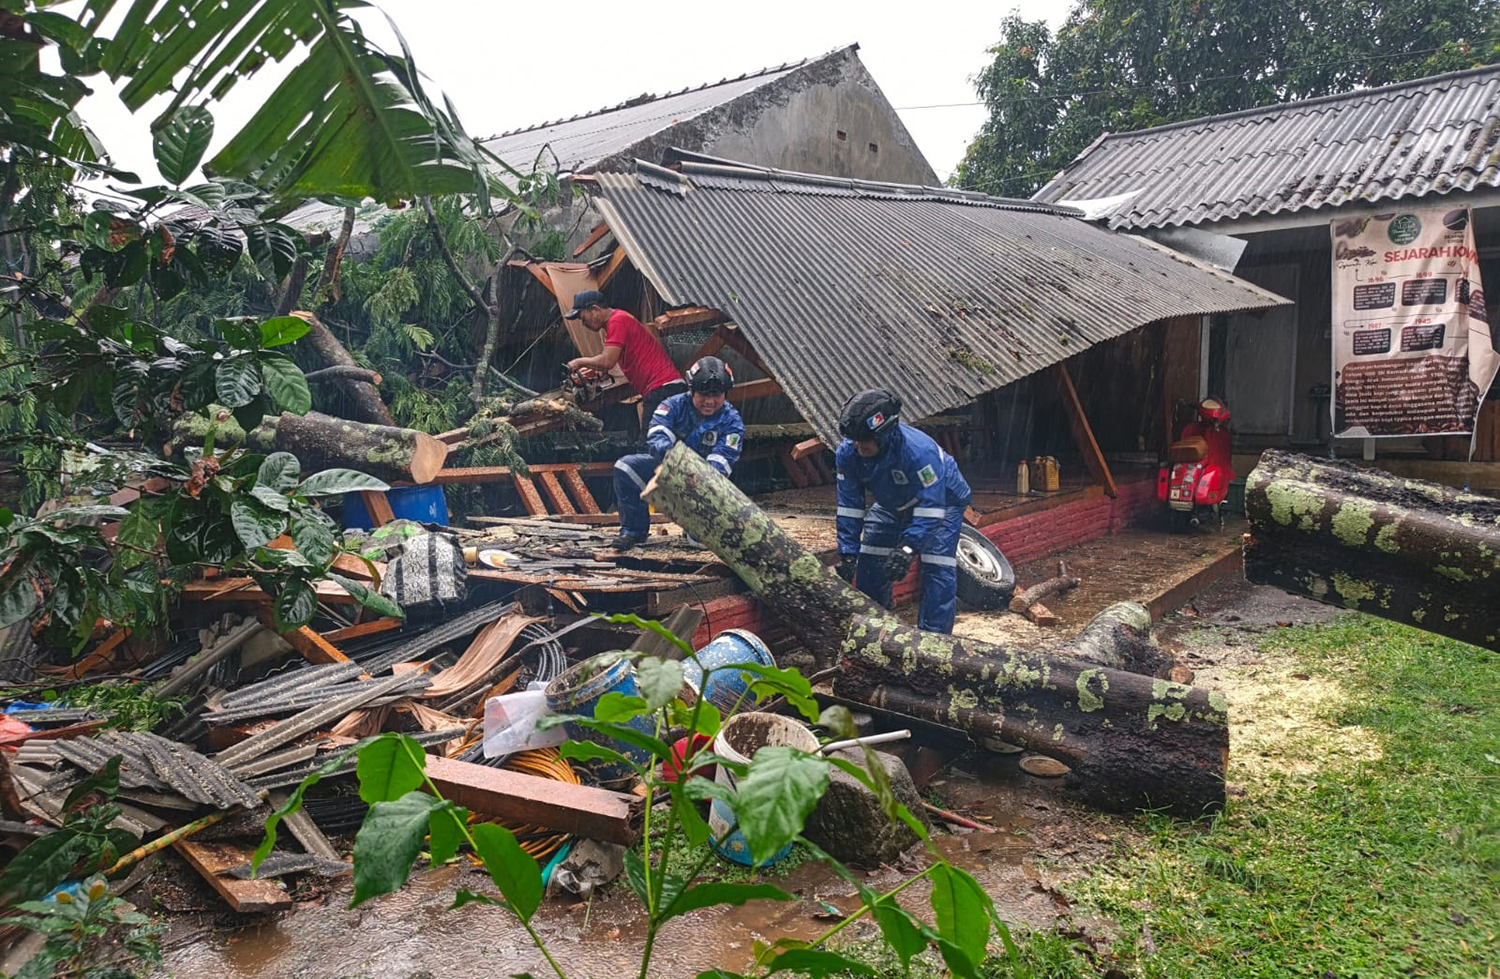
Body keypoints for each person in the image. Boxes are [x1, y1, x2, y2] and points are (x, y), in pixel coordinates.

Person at [833, 388, 972, 634]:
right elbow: (849, 506)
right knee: (870, 559)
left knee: (937, 564)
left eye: (863, 441)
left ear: (884, 435)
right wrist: (847, 552)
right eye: (853, 440)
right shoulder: (848, 453)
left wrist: (907, 549)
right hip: (892, 504)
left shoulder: (919, 453)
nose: (857, 446)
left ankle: (934, 640)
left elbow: (931, 508)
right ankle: (876, 628)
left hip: (942, 502)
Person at [612, 356, 744, 550]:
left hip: (704, 485)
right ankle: (633, 531)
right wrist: (672, 458)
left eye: (716, 395)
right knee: (625, 467)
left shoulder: (732, 421)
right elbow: (657, 435)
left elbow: (724, 459)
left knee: (700, 543)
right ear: (691, 390)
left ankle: (695, 525)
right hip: (666, 471)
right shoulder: (672, 405)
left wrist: (699, 478)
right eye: (704, 394)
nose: (710, 401)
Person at [564, 289, 686, 420]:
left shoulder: (617, 321)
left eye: (583, 318)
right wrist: (600, 370)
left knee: (651, 438)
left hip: (663, 388)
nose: (583, 324)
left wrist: (578, 362)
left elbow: (607, 361)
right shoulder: (619, 320)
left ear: (595, 309)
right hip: (666, 388)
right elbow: (612, 361)